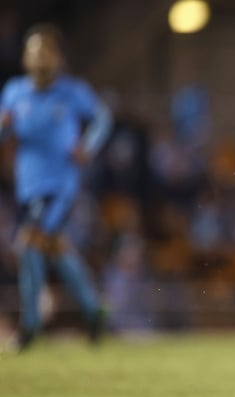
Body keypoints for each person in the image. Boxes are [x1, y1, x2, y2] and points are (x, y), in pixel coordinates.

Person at [0, 23, 112, 351]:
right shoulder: (14, 92)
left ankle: (30, 325)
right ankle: (94, 311)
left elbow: (102, 118)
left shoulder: (72, 92)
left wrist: (88, 146)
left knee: (27, 245)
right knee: (55, 251)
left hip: (60, 185)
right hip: (29, 186)